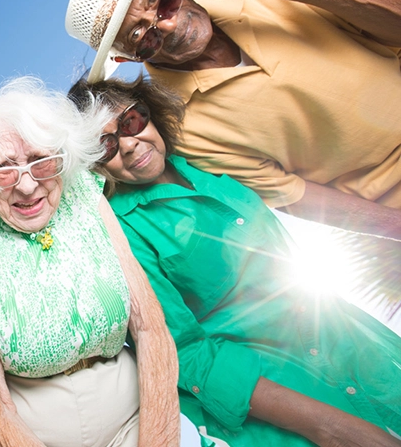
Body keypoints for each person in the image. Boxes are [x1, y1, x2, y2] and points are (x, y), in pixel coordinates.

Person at [68, 74, 401, 447]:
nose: (129, 144)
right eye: (105, 146)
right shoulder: (119, 232)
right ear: (93, 165)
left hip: (362, 350)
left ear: (149, 112)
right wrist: (327, 426)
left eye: (131, 121)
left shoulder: (208, 158)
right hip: (277, 400)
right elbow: (183, 352)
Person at [64, 0, 401, 240]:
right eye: (142, 36)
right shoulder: (185, 129)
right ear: (127, 58)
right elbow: (297, 197)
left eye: (160, 0)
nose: (166, 25)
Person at [0, 77, 182, 447]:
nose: (28, 186)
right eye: (3, 169)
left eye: (41, 161)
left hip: (132, 418)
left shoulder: (82, 192)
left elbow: (150, 328)